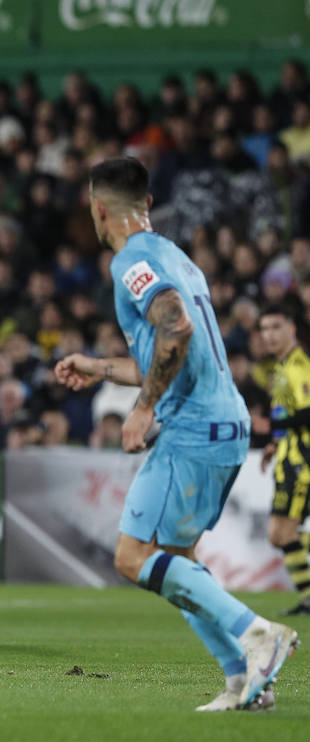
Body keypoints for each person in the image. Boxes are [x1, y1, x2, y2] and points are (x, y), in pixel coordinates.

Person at [55, 158, 295, 711]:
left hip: (192, 427)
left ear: (98, 210)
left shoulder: (131, 261)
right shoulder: (177, 258)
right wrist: (99, 367)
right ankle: (243, 680)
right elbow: (168, 352)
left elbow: (175, 328)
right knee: (177, 559)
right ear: (149, 205)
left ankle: (258, 634)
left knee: (132, 556)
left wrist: (141, 409)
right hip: (224, 421)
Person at [252, 306, 310, 615]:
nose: (269, 334)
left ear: (291, 329)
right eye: (264, 328)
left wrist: (272, 426)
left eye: (276, 327)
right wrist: (275, 443)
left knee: (281, 533)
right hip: (288, 458)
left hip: (302, 463)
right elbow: (288, 415)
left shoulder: (299, 366)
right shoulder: (282, 369)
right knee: (280, 534)